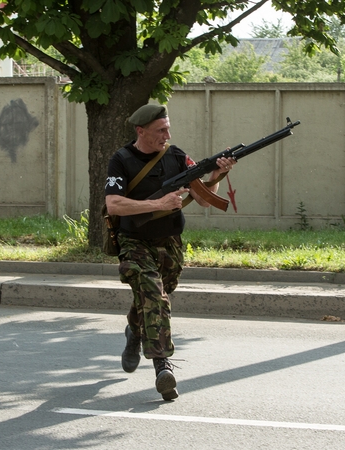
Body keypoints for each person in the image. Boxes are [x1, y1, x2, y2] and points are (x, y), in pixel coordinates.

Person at [104, 104, 236, 400]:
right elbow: (114, 204)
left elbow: (202, 199)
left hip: (170, 241)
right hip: (133, 240)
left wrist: (217, 173)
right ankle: (163, 366)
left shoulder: (177, 157)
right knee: (154, 296)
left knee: (160, 294)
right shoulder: (121, 160)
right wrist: (158, 204)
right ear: (141, 131)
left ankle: (135, 330)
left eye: (168, 128)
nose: (168, 134)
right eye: (160, 130)